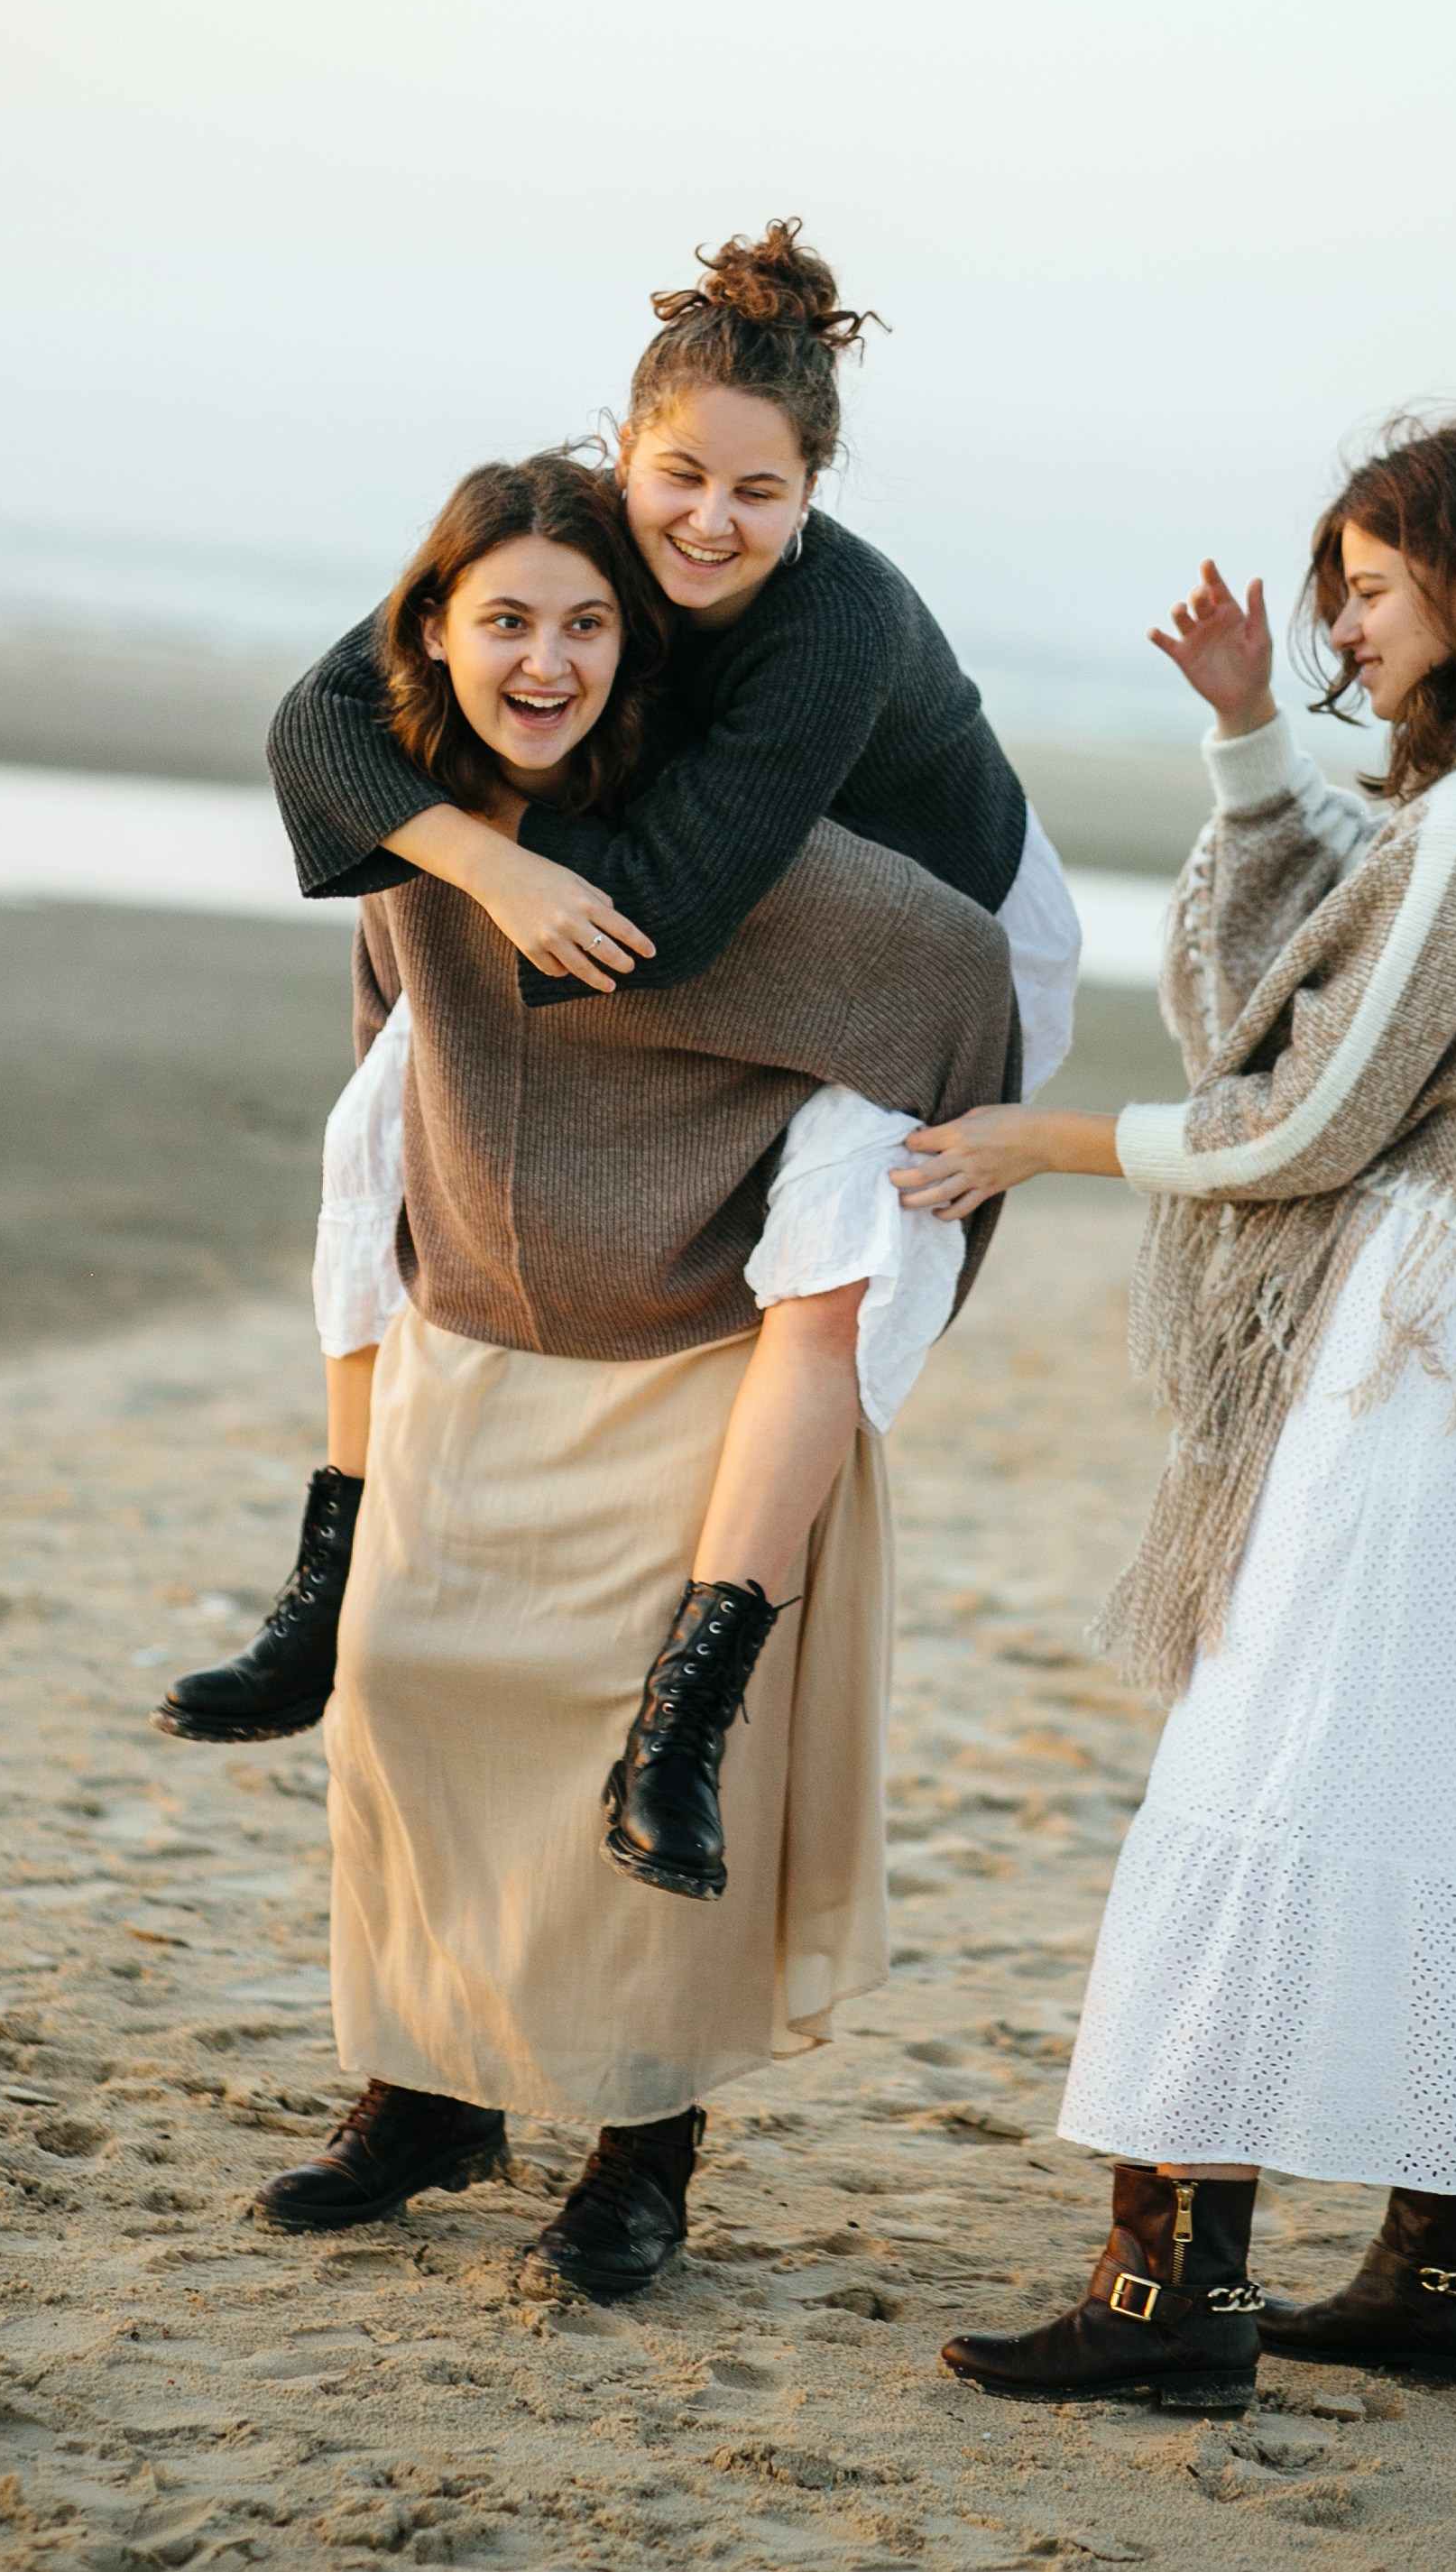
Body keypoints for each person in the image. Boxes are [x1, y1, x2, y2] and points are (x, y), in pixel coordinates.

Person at [892, 416, 1456, 2413]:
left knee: (1273, 1759)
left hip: (1430, 1376)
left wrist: (1055, 1135)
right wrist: (1249, 734)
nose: (1345, 631)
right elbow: (1334, 950)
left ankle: (1167, 2293)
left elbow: (1319, 1090)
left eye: (1366, 590)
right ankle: (1448, 2277)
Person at [159, 223, 1080, 1908]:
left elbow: (662, 913)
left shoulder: (834, 631)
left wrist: (455, 825)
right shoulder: (560, 536)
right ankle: (328, 1586)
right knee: (381, 1120)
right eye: (681, 480)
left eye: (760, 495)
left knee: (828, 1247)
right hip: (709, 890)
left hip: (919, 945)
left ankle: (688, 1708)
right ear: (622, 450)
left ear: (814, 499)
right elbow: (317, 732)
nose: (710, 527)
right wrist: (491, 861)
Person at [217, 450, 1018, 2293]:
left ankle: (643, 2154)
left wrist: (911, 1206)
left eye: (587, 624)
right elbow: (387, 1063)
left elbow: (954, 968)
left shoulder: (760, 849)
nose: (548, 659)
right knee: (411, 1696)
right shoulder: (411, 826)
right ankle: (428, 2092)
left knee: (633, 1775)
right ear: (433, 632)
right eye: (507, 620)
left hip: (690, 1347)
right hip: (484, 1322)